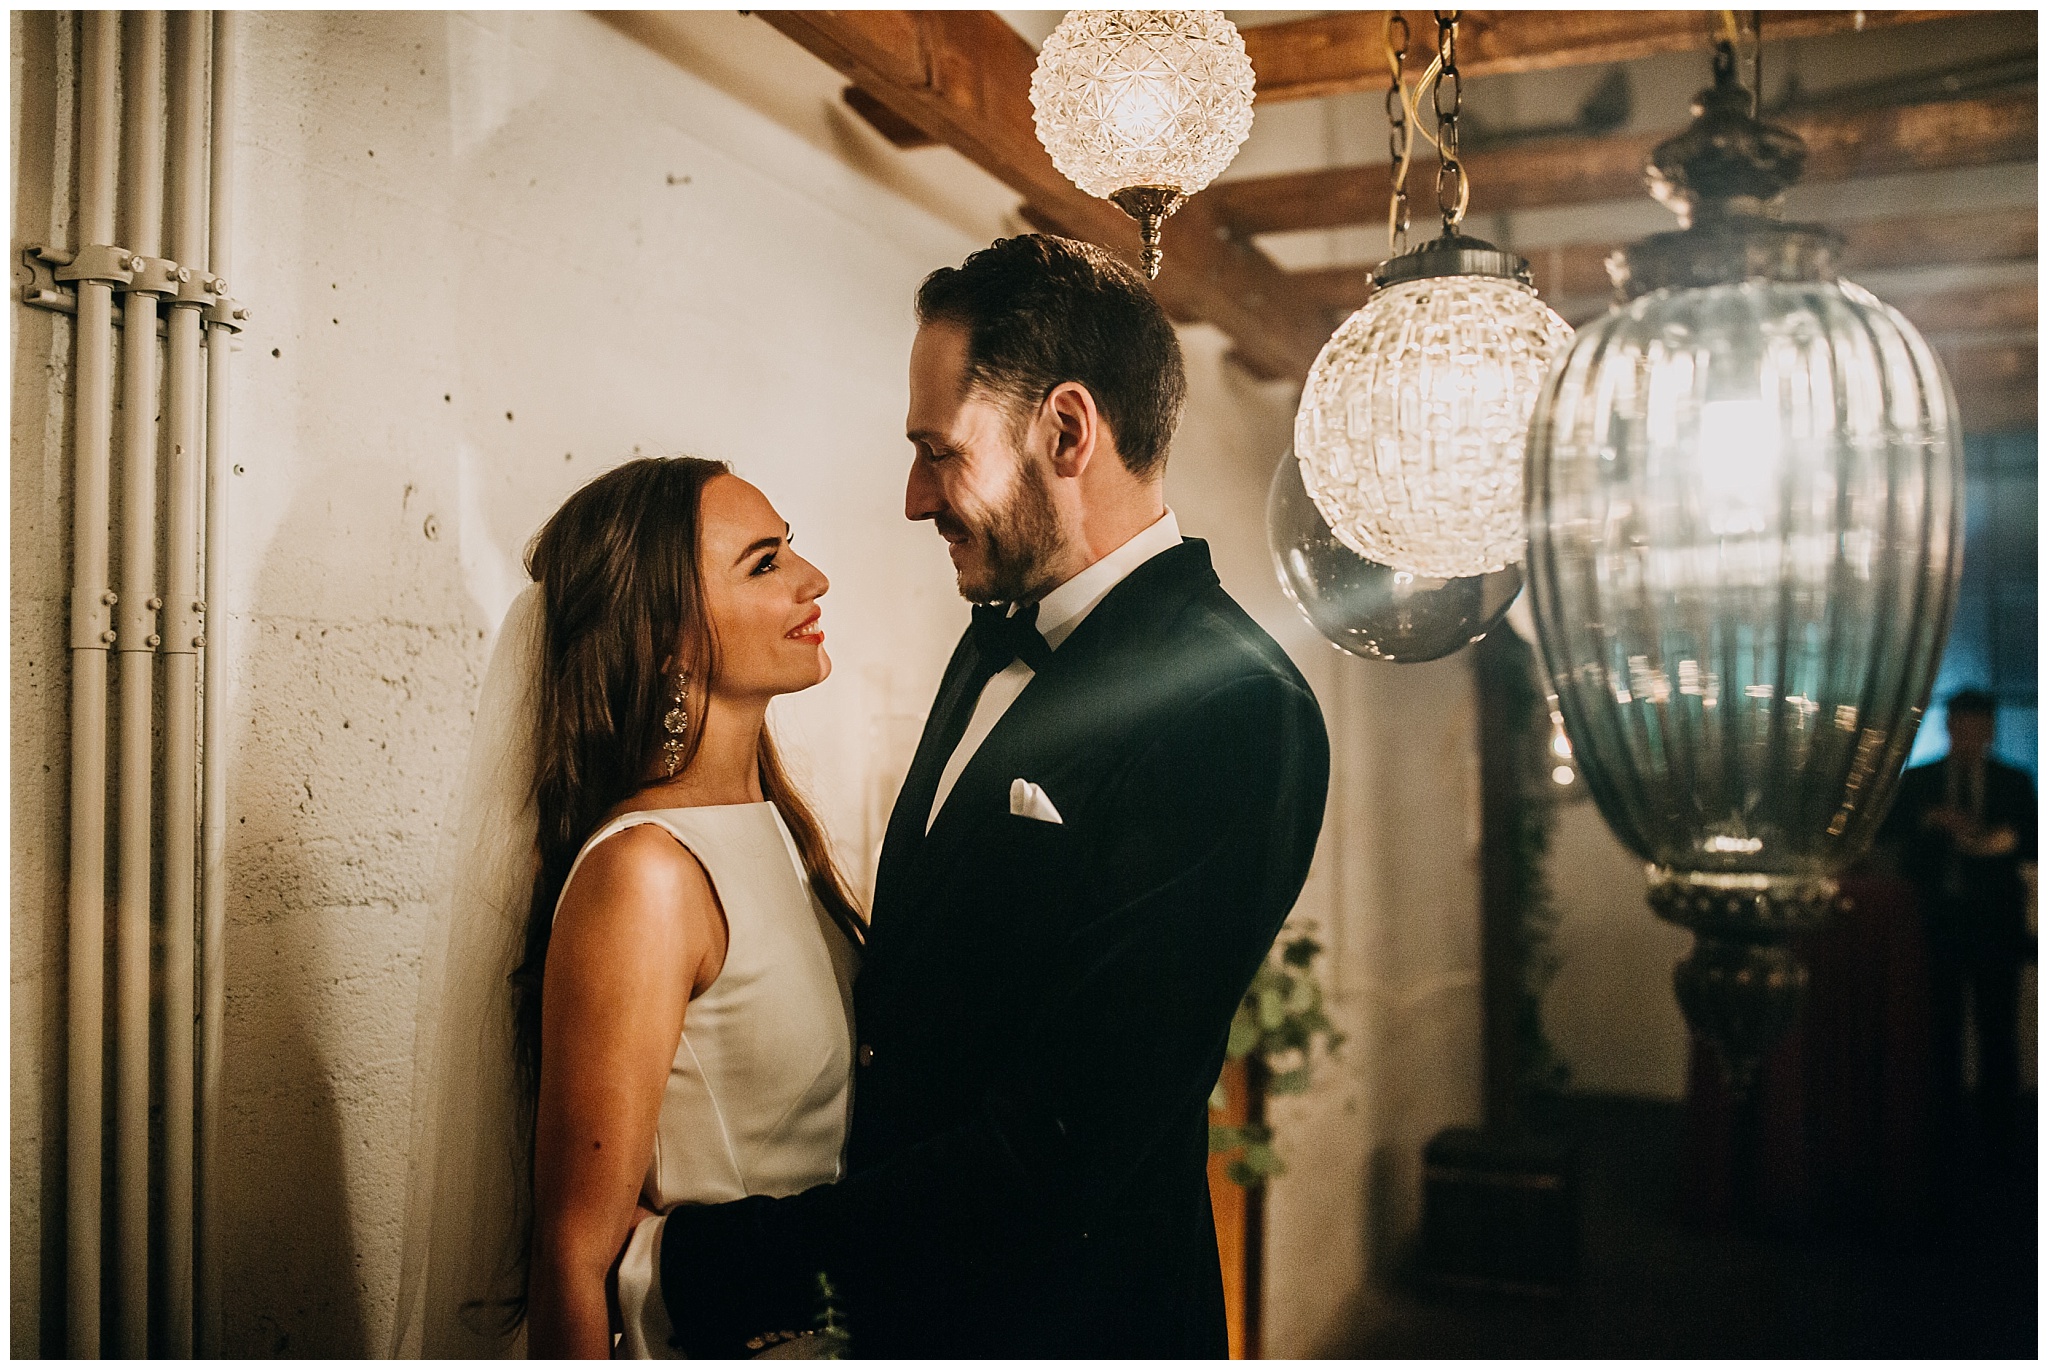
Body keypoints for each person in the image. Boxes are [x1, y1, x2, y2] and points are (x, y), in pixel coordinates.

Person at [629, 235, 1331, 1358]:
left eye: (936, 451)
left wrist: (708, 1266)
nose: (913, 499)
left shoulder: (1235, 706)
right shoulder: (993, 630)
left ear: (1065, 429)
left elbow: (1060, 1147)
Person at [390, 456, 866, 1357]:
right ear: (670, 639)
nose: (814, 579)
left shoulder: (773, 832)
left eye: (790, 549)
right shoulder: (645, 874)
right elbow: (573, 1255)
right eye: (764, 564)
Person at [1887, 688, 2036, 1168]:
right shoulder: (1918, 783)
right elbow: (1890, 842)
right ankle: (1942, 1130)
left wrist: (2001, 841)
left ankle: (2000, 1138)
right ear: (1949, 728)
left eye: (1981, 728)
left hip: (1996, 927)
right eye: (1964, 726)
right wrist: (1932, 821)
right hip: (1937, 925)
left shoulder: (2014, 782)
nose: (1973, 736)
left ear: (1991, 730)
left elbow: (2032, 846)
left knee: (1998, 1030)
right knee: (1939, 1028)